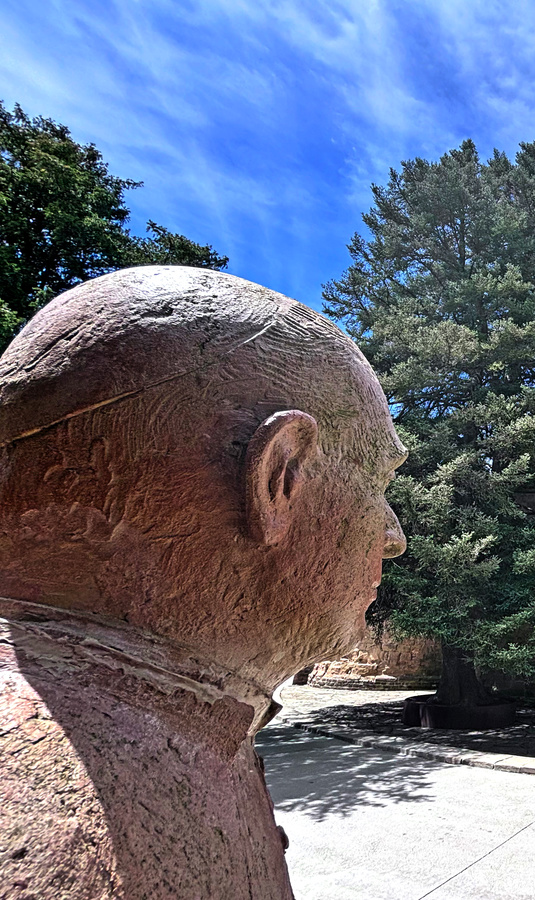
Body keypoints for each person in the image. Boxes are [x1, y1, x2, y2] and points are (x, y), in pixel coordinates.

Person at [0, 267, 406, 899]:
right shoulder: (88, 818)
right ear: (280, 478)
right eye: (377, 485)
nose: (394, 536)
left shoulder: (147, 732)